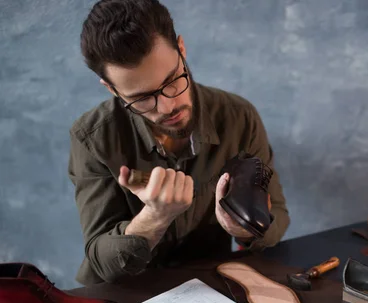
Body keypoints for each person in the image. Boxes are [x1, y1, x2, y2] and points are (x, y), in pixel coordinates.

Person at [68, 0, 290, 285]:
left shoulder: (239, 117)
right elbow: (102, 263)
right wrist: (155, 217)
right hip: (130, 296)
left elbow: (278, 217)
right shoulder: (92, 137)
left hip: (212, 286)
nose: (167, 106)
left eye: (172, 80)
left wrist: (244, 229)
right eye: (142, 98)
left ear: (181, 49)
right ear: (112, 89)